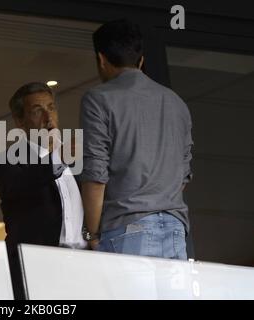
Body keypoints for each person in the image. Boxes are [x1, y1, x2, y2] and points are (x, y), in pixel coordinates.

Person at [80, 19, 193, 260]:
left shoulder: (98, 99)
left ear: (101, 59)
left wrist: (92, 234)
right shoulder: (176, 103)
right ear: (140, 60)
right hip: (174, 229)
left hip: (127, 227)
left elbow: (96, 176)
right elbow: (182, 176)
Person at [0, 82, 86, 299]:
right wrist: (56, 158)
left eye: (51, 108)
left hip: (84, 267)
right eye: (37, 111)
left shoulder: (78, 157)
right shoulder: (5, 161)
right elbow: (15, 187)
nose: (48, 117)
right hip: (39, 270)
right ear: (20, 120)